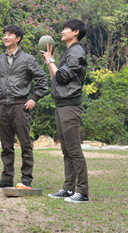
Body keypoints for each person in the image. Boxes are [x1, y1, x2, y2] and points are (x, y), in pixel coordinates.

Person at [0, 25, 48, 189]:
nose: (5, 37)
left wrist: (34, 99)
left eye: (10, 35)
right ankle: (6, 179)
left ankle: (26, 180)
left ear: (18, 38)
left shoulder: (28, 59)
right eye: (4, 35)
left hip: (20, 107)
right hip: (3, 108)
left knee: (25, 145)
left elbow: (42, 81)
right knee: (6, 146)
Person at [41, 19, 89, 203]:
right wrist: (49, 62)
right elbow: (56, 77)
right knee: (66, 150)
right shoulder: (69, 52)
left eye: (66, 29)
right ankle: (68, 189)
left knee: (74, 149)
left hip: (70, 106)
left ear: (75, 32)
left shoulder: (76, 53)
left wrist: (52, 60)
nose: (62, 32)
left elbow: (61, 76)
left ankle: (82, 192)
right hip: (62, 105)